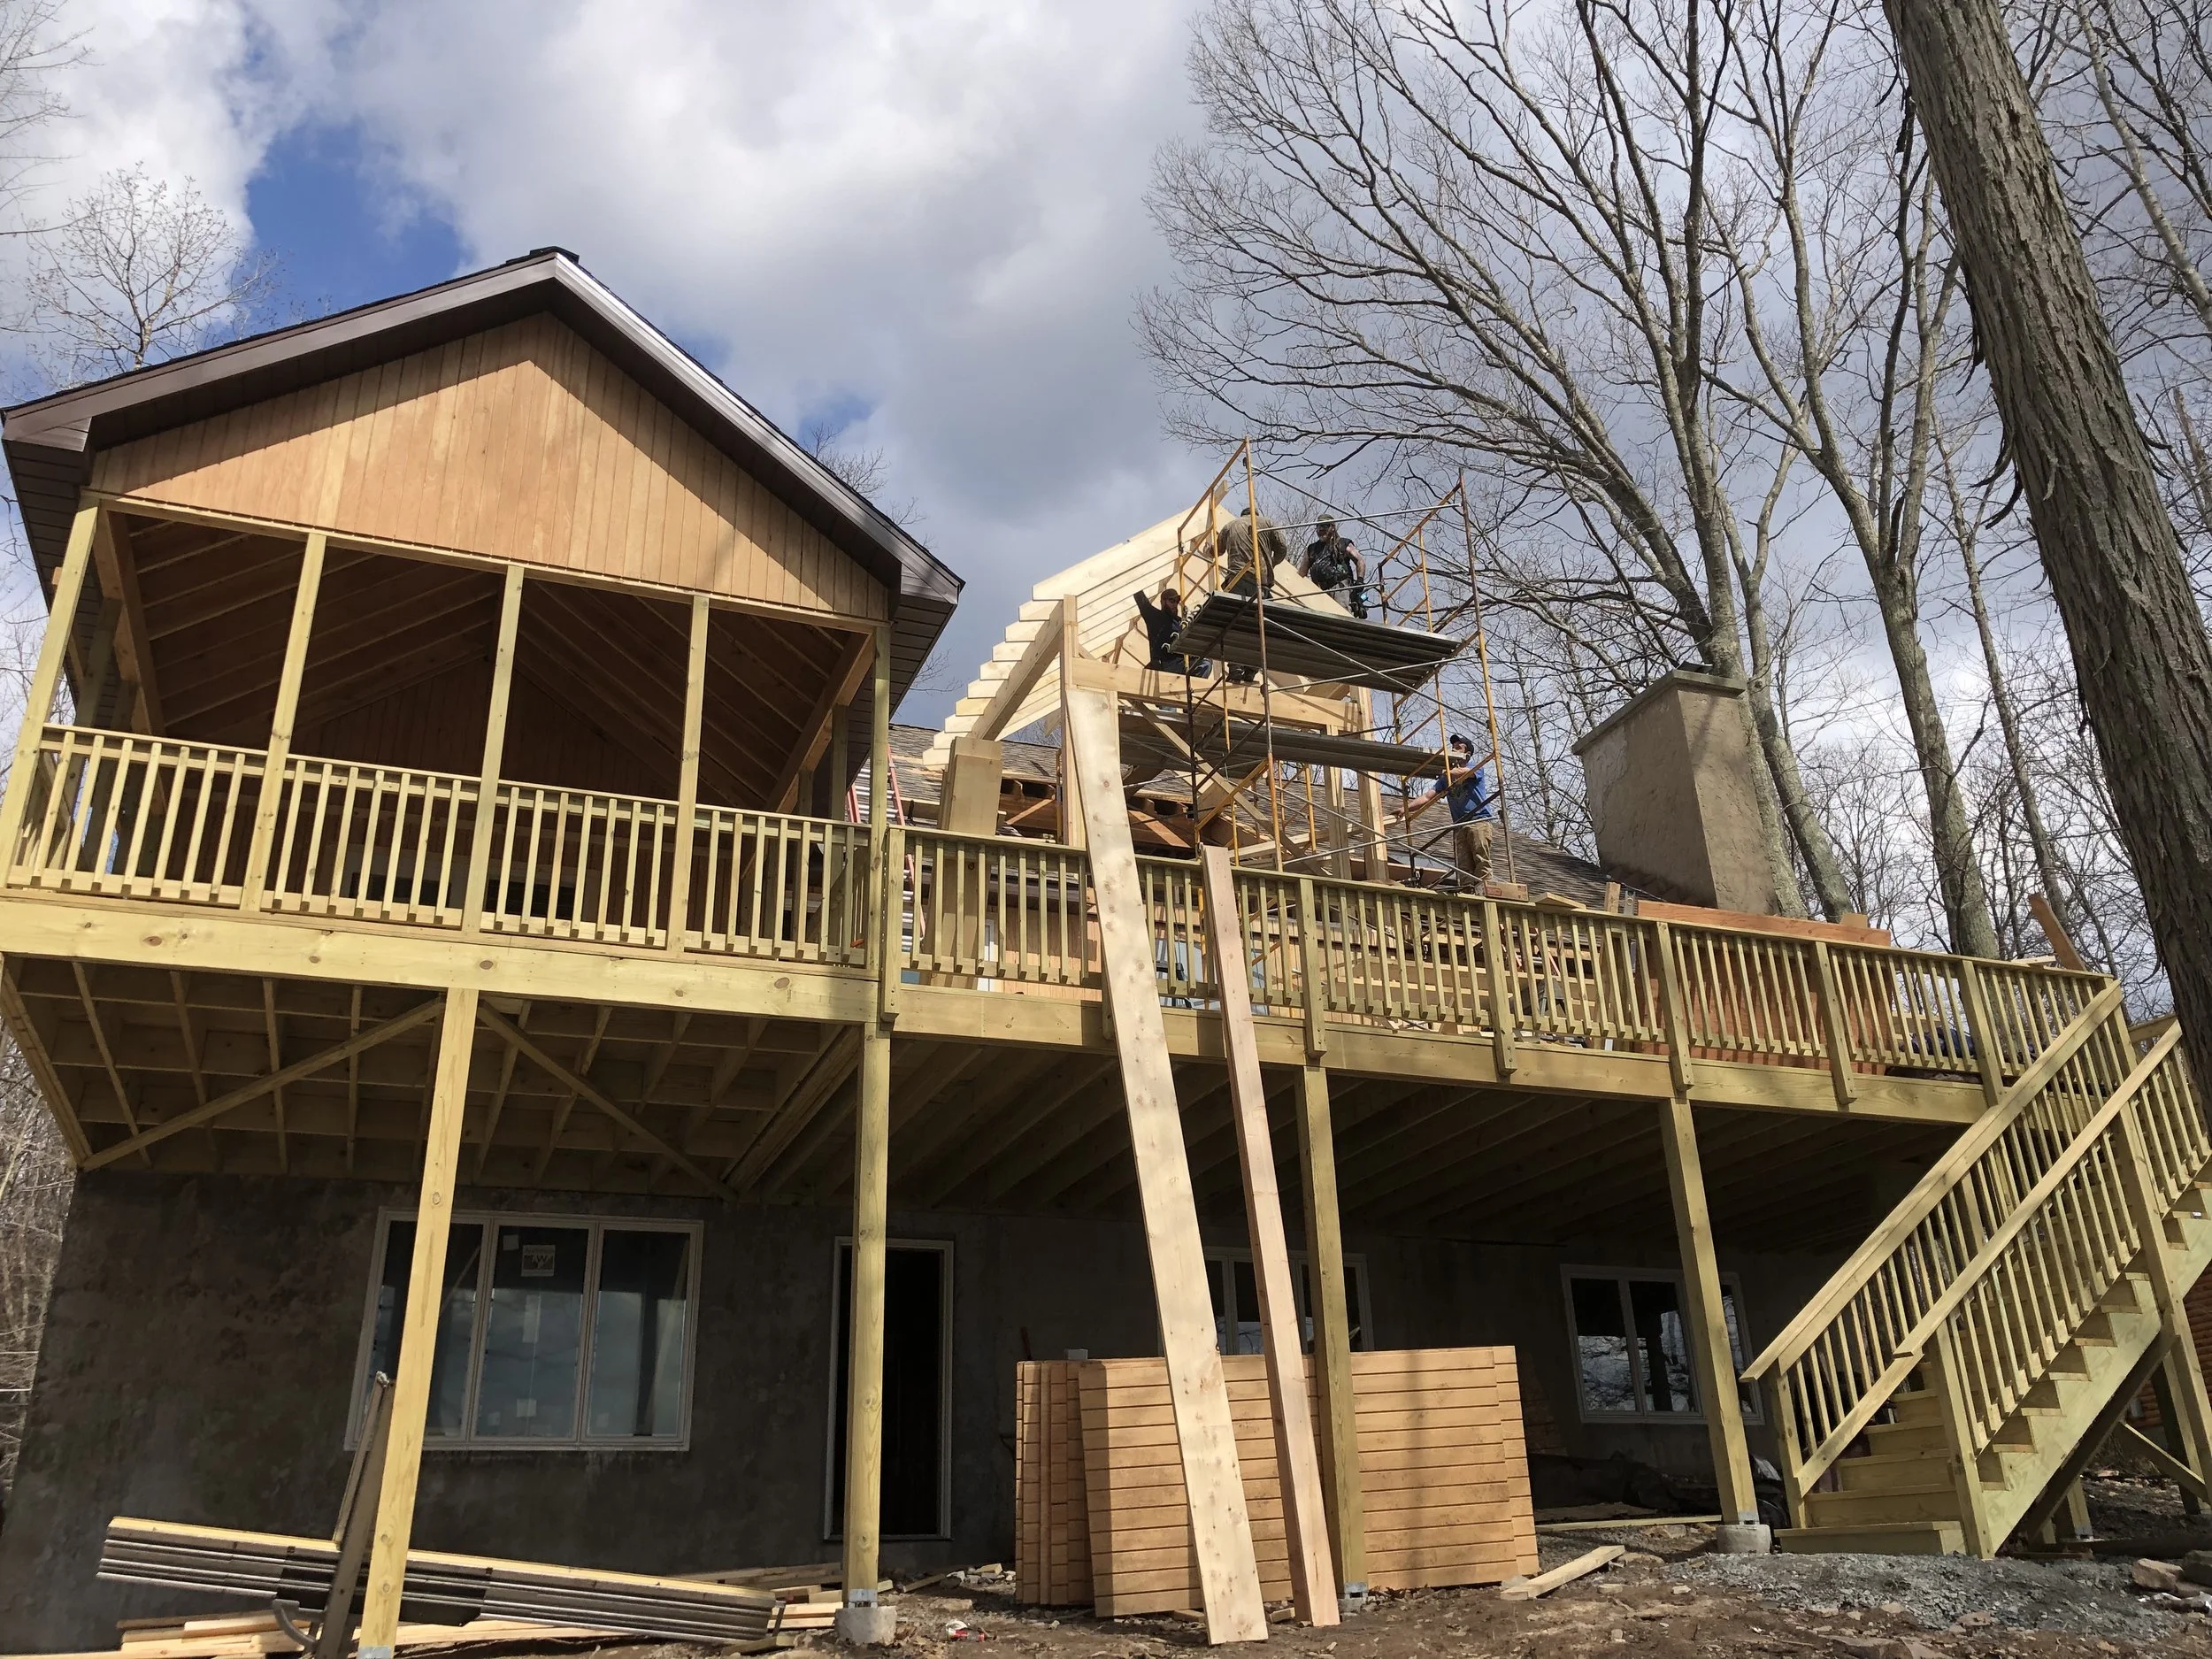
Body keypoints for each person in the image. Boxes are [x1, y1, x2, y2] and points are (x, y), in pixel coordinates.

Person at [1402, 733, 1497, 887]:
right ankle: (1468, 894)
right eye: (1453, 747)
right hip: (1459, 826)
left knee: (1481, 859)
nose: (1454, 749)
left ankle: (1485, 892)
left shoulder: (1475, 768)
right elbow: (1427, 797)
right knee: (1463, 867)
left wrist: (1448, 771)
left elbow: (1465, 773)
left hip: (1478, 820)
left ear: (1468, 753)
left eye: (1458, 747)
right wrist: (1404, 809)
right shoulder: (1446, 778)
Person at [1132, 584, 1210, 677]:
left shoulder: (1181, 622)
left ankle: (1191, 687)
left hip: (1182, 663)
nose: (1175, 604)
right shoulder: (1154, 616)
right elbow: (1141, 601)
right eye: (1172, 601)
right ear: (1162, 602)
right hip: (1166, 663)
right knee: (1204, 664)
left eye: (1177, 601)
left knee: (1206, 662)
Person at [1302, 518, 1370, 618]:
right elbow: (1301, 573)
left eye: (1325, 526)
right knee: (1320, 619)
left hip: (1338, 587)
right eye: (1319, 526)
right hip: (1319, 590)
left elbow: (1360, 561)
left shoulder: (1342, 543)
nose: (1321, 529)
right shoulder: (1312, 549)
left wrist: (1360, 581)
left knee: (1342, 616)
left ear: (1332, 527)